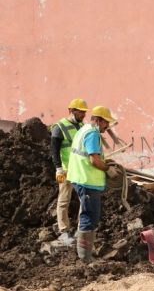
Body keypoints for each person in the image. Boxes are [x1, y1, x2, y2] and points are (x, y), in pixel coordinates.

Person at [66, 105, 116, 262]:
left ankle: (85, 254)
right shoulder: (92, 133)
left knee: (88, 215)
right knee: (90, 216)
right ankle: (85, 258)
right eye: (106, 122)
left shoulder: (84, 129)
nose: (107, 126)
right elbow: (94, 160)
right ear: (99, 120)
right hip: (86, 181)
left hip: (81, 178)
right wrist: (108, 169)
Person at [50, 98, 88, 245]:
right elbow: (54, 150)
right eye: (81, 112)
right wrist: (58, 168)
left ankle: (80, 229)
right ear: (72, 111)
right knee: (64, 200)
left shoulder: (82, 126)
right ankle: (64, 230)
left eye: (84, 112)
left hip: (80, 169)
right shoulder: (59, 127)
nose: (83, 115)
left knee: (83, 199)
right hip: (66, 169)